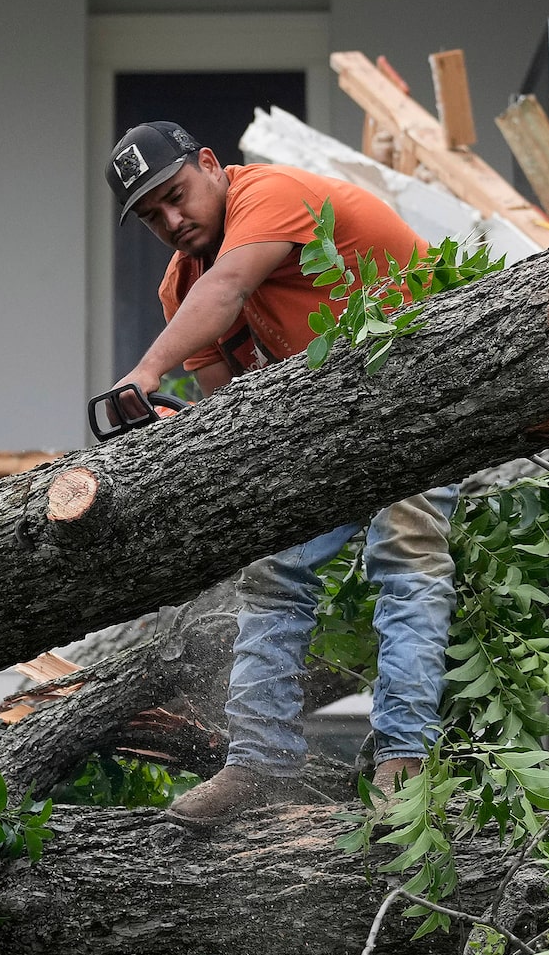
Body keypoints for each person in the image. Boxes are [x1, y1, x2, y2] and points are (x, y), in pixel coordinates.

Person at [103, 119, 456, 831]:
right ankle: (258, 763)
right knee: (272, 565)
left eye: (176, 196)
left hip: (420, 391)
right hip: (334, 421)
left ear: (211, 164)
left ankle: (404, 761)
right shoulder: (183, 288)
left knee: (406, 557)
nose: (172, 221)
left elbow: (232, 287)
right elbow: (240, 410)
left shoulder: (269, 192)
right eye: (152, 216)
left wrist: (145, 372)